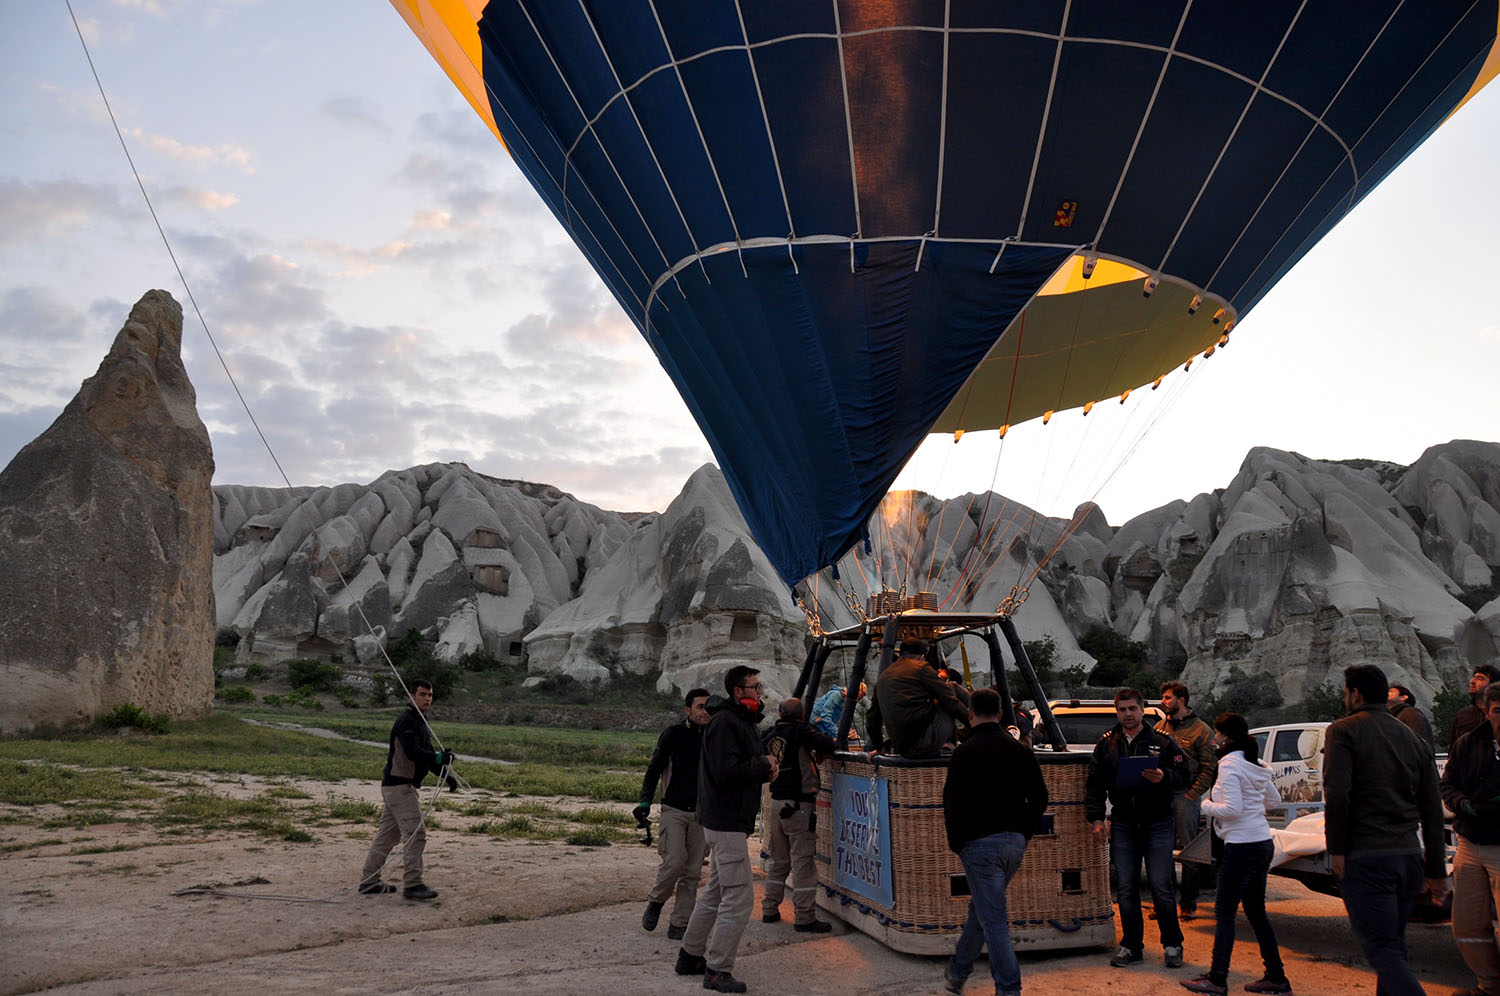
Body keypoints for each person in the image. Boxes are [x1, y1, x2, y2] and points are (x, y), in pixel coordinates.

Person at [1324, 663, 1448, 996]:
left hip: (1367, 857)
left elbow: (1337, 794)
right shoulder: (1414, 739)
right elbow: (1433, 811)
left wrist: (1335, 848)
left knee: (1383, 950)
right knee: (1394, 947)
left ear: (1356, 694)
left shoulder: (1344, 730)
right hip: (1408, 857)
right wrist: (1437, 870)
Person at [675, 666, 778, 994]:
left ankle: (690, 956)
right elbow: (725, 771)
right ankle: (718, 969)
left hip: (724, 820)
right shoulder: (726, 722)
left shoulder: (738, 721)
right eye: (755, 686)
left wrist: (762, 766)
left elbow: (735, 766)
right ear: (738, 692)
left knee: (716, 892)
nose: (760, 691)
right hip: (726, 821)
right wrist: (764, 766)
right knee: (739, 898)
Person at [941, 687, 1049, 996]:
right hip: (1013, 843)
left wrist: (958, 842)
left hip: (979, 844)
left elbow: (952, 802)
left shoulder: (964, 751)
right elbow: (1040, 798)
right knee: (983, 911)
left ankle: (1009, 989)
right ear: (1001, 715)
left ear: (971, 714)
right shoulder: (1019, 750)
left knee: (994, 922)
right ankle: (958, 973)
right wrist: (1023, 831)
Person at [1180, 713, 1292, 996]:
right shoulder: (1258, 764)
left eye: (1216, 734)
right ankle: (1277, 978)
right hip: (1261, 842)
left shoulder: (1229, 764)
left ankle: (1217, 979)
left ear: (1225, 737)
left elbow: (1231, 809)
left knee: (1225, 913)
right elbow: (1274, 801)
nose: (1214, 739)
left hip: (1242, 846)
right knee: (1256, 912)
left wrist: (1204, 805)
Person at [1085, 687, 1190, 969]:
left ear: (1143, 710)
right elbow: (1094, 785)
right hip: (1123, 823)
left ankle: (1172, 945)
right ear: (1116, 712)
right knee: (1126, 888)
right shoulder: (1107, 744)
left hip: (1158, 822)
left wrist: (1163, 776)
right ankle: (1131, 946)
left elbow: (1184, 776)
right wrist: (1096, 818)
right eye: (1122, 710)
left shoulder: (1163, 742)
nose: (1127, 714)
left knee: (1161, 885)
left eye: (1132, 709)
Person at [356, 678, 456, 901]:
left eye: (430, 695)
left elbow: (427, 756)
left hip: (396, 787)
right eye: (422, 694)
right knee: (415, 834)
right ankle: (413, 884)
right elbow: (412, 752)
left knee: (387, 837)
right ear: (412, 696)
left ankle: (368, 881)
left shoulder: (421, 722)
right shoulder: (407, 721)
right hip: (400, 787)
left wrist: (445, 775)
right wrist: (438, 757)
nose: (427, 699)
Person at [636, 688, 711, 940]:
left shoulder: (714, 737)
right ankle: (656, 902)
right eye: (700, 707)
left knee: (692, 872)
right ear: (687, 710)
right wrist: (645, 801)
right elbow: (653, 770)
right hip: (674, 810)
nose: (705, 712)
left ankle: (679, 923)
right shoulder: (673, 734)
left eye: (708, 707)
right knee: (674, 861)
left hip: (701, 814)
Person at [1440, 681, 1500, 996]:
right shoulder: (1468, 743)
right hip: (1469, 846)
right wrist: (1462, 804)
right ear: (1486, 711)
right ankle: (1489, 985)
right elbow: (1447, 784)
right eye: (1497, 710)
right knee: (1466, 923)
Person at [760, 697, 837, 932]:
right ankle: (804, 917)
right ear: (801, 715)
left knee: (778, 860)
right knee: (803, 863)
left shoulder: (770, 735)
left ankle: (769, 909)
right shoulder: (801, 731)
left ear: (781, 715)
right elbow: (828, 744)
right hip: (798, 806)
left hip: (776, 804)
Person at [1156, 681, 1218, 920]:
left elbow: (1209, 766)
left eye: (1168, 698)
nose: (1163, 702)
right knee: (1162, 850)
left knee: (1190, 851)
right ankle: (1167, 905)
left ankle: (1188, 903)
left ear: (1182, 700)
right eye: (1163, 697)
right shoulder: (1161, 727)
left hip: (1185, 797)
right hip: (1161, 796)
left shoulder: (1201, 730)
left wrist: (1194, 793)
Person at [867, 639, 970, 758]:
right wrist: (973, 725)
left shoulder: (883, 676)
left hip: (902, 748)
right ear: (922, 657)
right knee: (952, 687)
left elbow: (872, 718)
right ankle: (983, 724)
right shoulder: (921, 668)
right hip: (925, 743)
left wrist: (878, 747)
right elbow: (951, 702)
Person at [1451, 665, 1500, 747]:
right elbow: (1454, 749)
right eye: (1474, 677)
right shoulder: (1463, 715)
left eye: (1480, 679)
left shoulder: (1497, 715)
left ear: (1492, 685)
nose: (1472, 681)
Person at [1387, 684, 1434, 753]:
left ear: (1403, 697)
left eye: (1391, 691)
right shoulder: (1390, 716)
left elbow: (1420, 741)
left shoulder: (1410, 713)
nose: (1386, 693)